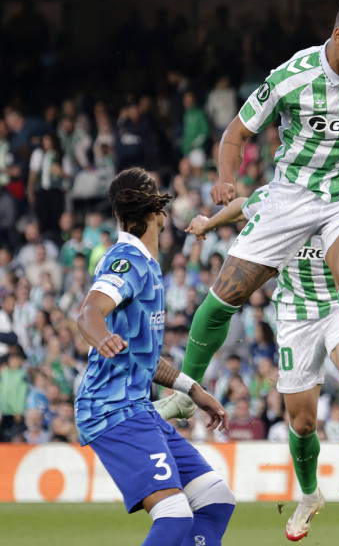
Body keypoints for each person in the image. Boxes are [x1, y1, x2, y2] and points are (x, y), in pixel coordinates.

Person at [177, 0, 339, 439]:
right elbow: (235, 134)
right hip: (291, 195)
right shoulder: (291, 78)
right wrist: (225, 179)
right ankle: (185, 390)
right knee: (222, 298)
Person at [157, 184, 339, 541]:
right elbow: (241, 205)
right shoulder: (283, 194)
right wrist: (209, 223)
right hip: (295, 315)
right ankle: (310, 495)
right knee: (303, 423)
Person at [74, 167, 235, 546]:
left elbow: (143, 358)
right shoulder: (126, 262)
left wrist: (192, 389)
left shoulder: (147, 264)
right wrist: (101, 338)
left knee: (215, 500)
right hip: (111, 410)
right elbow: (88, 312)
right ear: (158, 213)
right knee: (175, 517)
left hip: (137, 408)